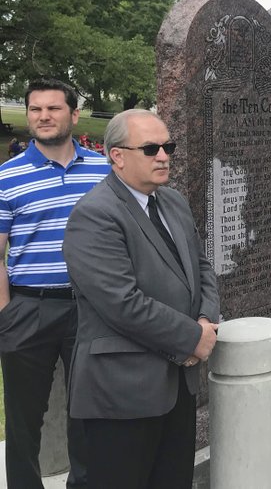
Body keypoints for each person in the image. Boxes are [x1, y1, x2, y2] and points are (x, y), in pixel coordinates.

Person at [62, 110, 220, 489]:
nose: (164, 155)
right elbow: (122, 304)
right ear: (117, 155)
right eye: (151, 148)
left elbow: (201, 268)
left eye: (169, 146)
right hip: (123, 393)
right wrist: (191, 339)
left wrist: (205, 320)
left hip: (178, 385)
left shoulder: (173, 202)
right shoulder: (95, 215)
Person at [0, 78, 109, 489]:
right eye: (35, 109)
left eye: (53, 108)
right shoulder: (6, 177)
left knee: (88, 412)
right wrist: (6, 316)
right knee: (25, 419)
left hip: (90, 309)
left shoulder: (104, 170)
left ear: (73, 114)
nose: (43, 116)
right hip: (28, 309)